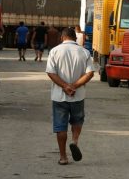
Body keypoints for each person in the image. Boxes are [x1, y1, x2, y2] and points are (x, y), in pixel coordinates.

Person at [46, 27, 95, 165]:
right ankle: (74, 141)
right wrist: (74, 86)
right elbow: (90, 73)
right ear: (75, 37)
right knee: (77, 121)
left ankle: (63, 157)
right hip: (78, 96)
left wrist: (65, 86)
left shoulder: (54, 51)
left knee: (60, 127)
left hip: (59, 97)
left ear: (62, 37)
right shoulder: (84, 52)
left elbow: (51, 72)